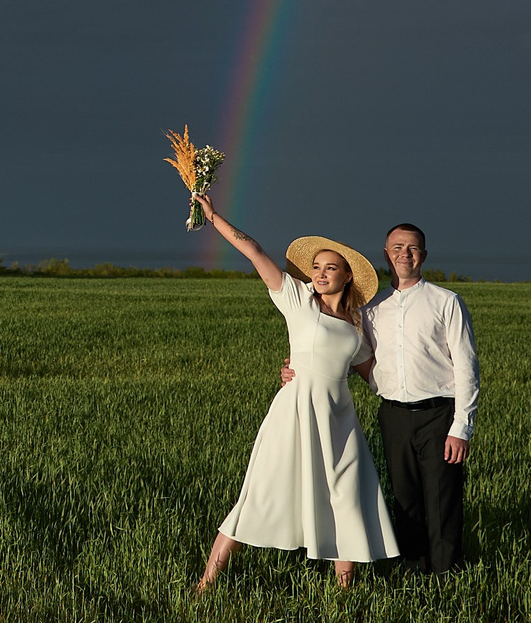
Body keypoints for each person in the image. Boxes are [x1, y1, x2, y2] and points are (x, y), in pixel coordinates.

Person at [189, 188, 400, 592]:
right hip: (295, 410)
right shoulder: (297, 298)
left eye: (330, 268)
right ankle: (206, 583)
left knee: (347, 497)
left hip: (340, 420)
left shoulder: (359, 325)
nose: (320, 274)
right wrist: (213, 216)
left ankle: (345, 592)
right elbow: (254, 252)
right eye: (317, 267)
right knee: (261, 492)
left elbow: (378, 376)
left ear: (347, 274)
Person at [363, 222, 479, 574]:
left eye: (412, 248)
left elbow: (466, 365)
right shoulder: (373, 307)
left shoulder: (446, 302)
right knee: (404, 496)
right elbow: (355, 355)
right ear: (386, 254)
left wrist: (462, 427)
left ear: (423, 255)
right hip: (394, 415)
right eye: (397, 247)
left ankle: (446, 572)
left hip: (439, 414)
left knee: (442, 496)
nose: (404, 254)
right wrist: (297, 368)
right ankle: (412, 568)